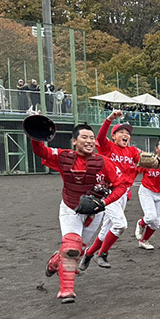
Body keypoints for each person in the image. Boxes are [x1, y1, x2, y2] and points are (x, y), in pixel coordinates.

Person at [29, 122, 126, 303]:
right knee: (72, 247)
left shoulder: (103, 162)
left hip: (94, 213)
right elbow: (41, 151)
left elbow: (121, 186)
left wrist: (104, 202)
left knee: (78, 251)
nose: (89, 141)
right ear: (74, 141)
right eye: (84, 137)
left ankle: (54, 262)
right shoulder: (64, 157)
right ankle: (66, 291)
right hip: (71, 208)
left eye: (92, 138)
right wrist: (36, 135)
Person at [82, 111, 158, 268]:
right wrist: (109, 119)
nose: (125, 135)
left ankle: (88, 255)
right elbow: (100, 137)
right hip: (107, 192)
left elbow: (146, 161)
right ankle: (102, 254)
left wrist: (155, 161)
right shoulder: (108, 147)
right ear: (114, 136)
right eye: (121, 132)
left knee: (105, 231)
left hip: (122, 194)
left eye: (127, 133)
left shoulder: (132, 151)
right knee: (120, 224)